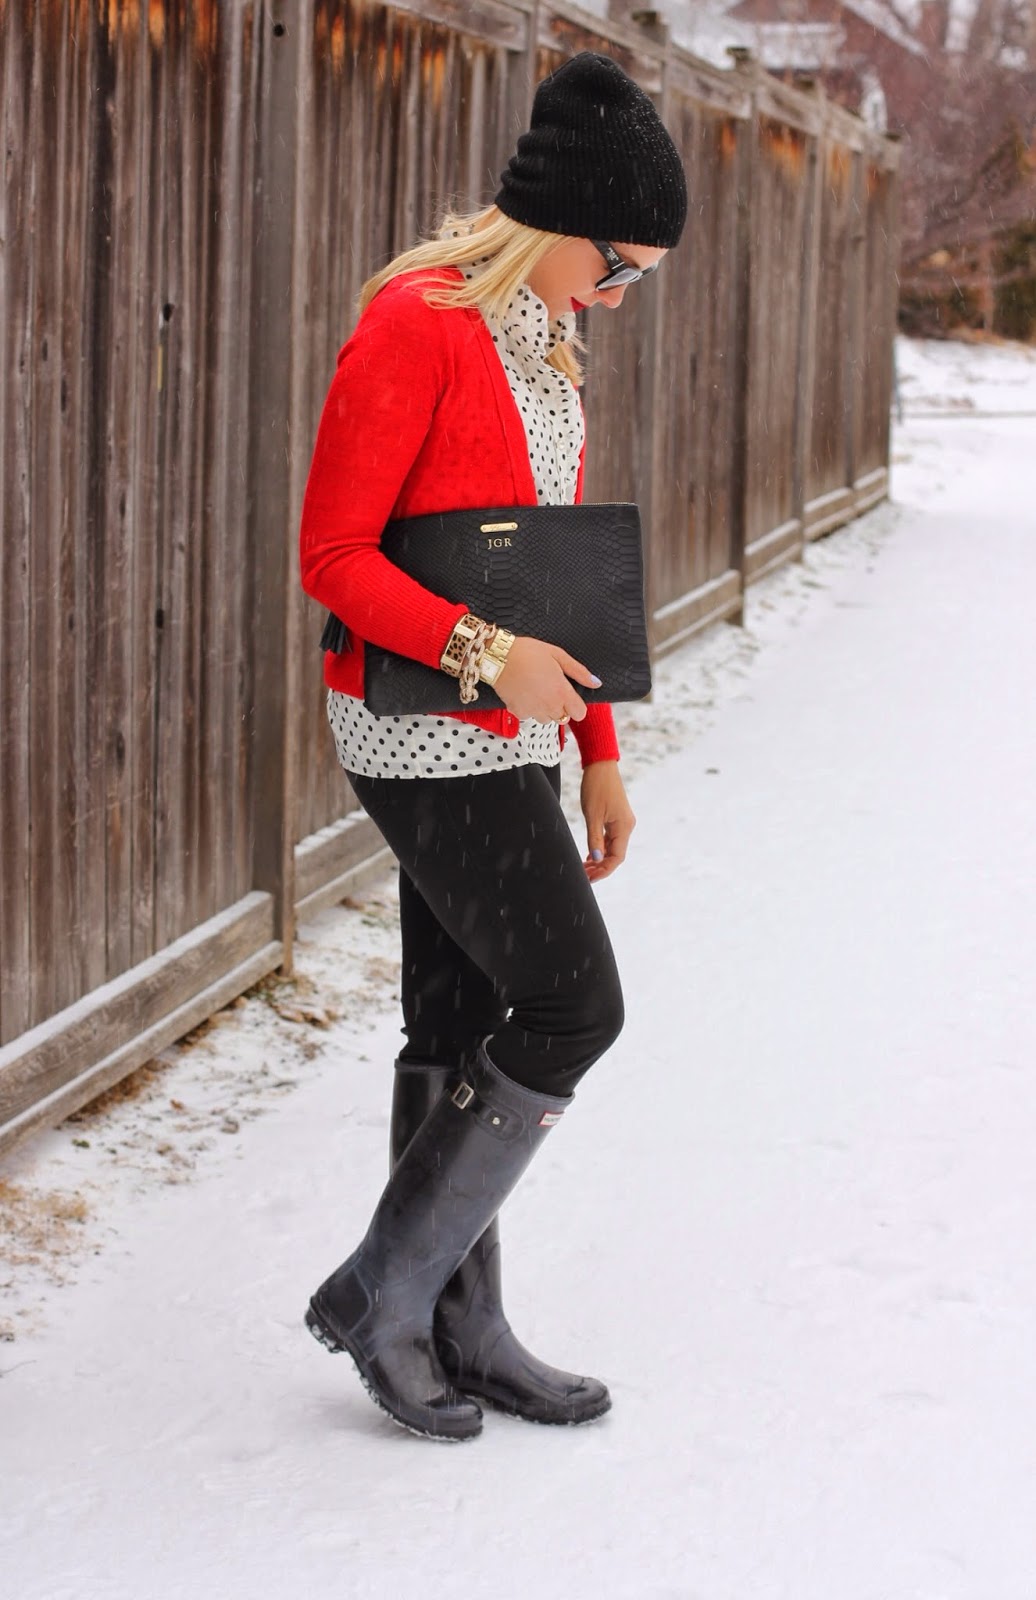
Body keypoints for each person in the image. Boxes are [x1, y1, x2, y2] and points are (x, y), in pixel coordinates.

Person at [298, 51, 687, 1441]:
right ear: (563, 219)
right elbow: (333, 555)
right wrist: (481, 655)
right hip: (416, 730)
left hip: (510, 726)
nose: (619, 295)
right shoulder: (417, 325)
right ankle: (386, 1295)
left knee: (457, 1023)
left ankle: (459, 1325)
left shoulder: (546, 341)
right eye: (619, 265)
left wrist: (598, 746)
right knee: (576, 1005)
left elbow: (554, 577)